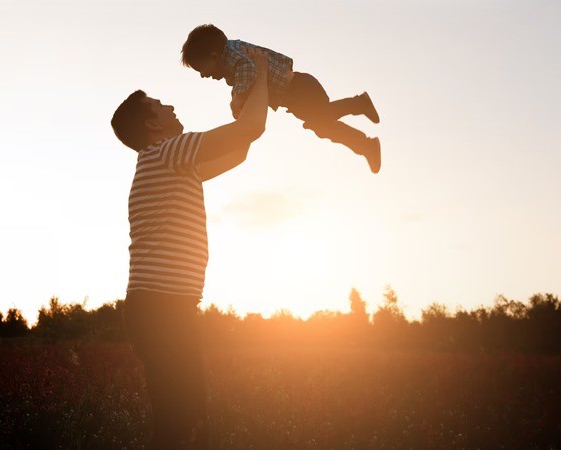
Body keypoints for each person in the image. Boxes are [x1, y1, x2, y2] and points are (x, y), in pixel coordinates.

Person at [110, 48, 271, 449]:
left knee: (188, 418)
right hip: (160, 308)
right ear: (152, 124)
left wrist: (246, 95)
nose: (171, 106)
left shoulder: (173, 161)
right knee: (178, 421)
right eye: (160, 105)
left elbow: (240, 148)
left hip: (170, 308)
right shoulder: (167, 152)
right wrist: (263, 74)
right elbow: (251, 129)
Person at [181, 24, 383, 173]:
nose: (203, 75)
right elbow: (246, 75)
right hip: (296, 94)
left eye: (201, 69)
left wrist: (238, 99)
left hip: (299, 89)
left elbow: (248, 70)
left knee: (320, 121)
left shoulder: (233, 57)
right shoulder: (233, 57)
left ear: (214, 57)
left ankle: (359, 107)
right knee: (322, 125)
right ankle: (366, 144)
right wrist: (237, 97)